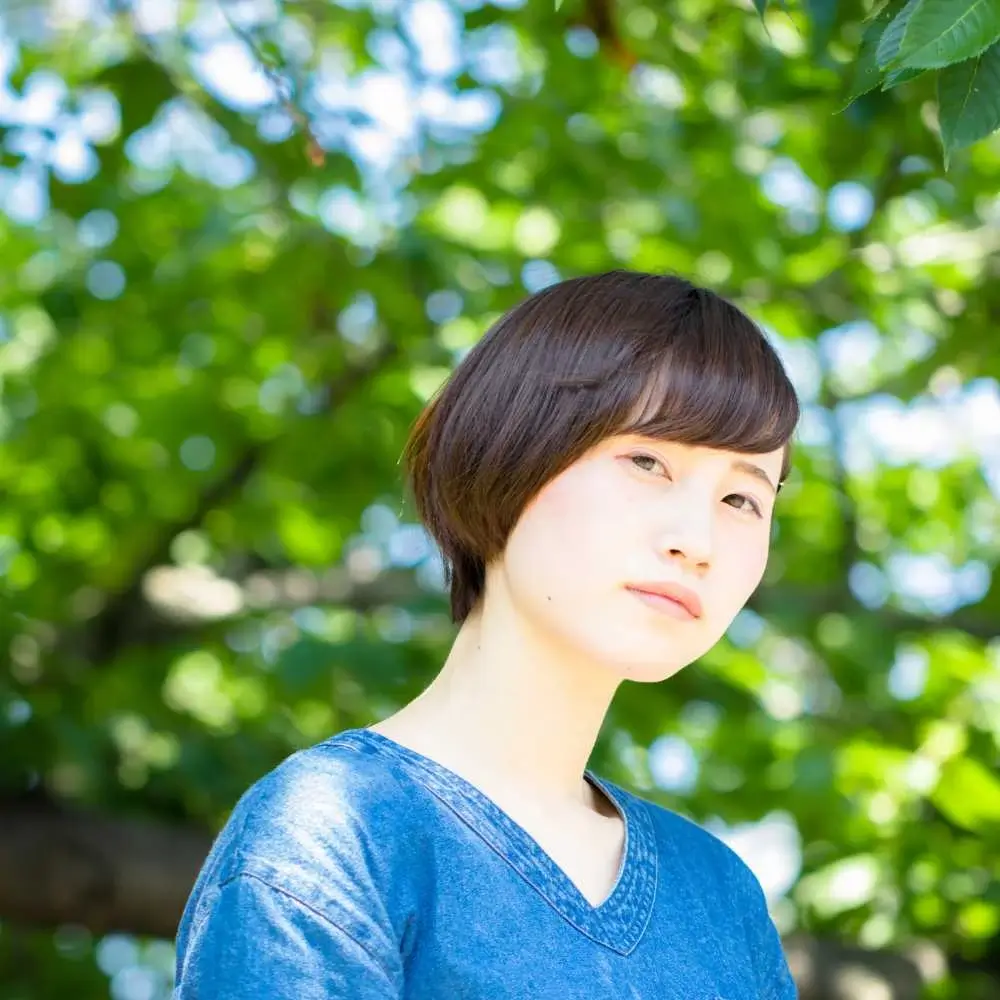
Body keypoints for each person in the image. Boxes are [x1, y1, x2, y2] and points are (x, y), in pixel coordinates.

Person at [172, 270, 800, 999]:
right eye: (647, 461)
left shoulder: (720, 898)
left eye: (741, 498)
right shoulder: (337, 833)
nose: (697, 540)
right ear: (511, 450)